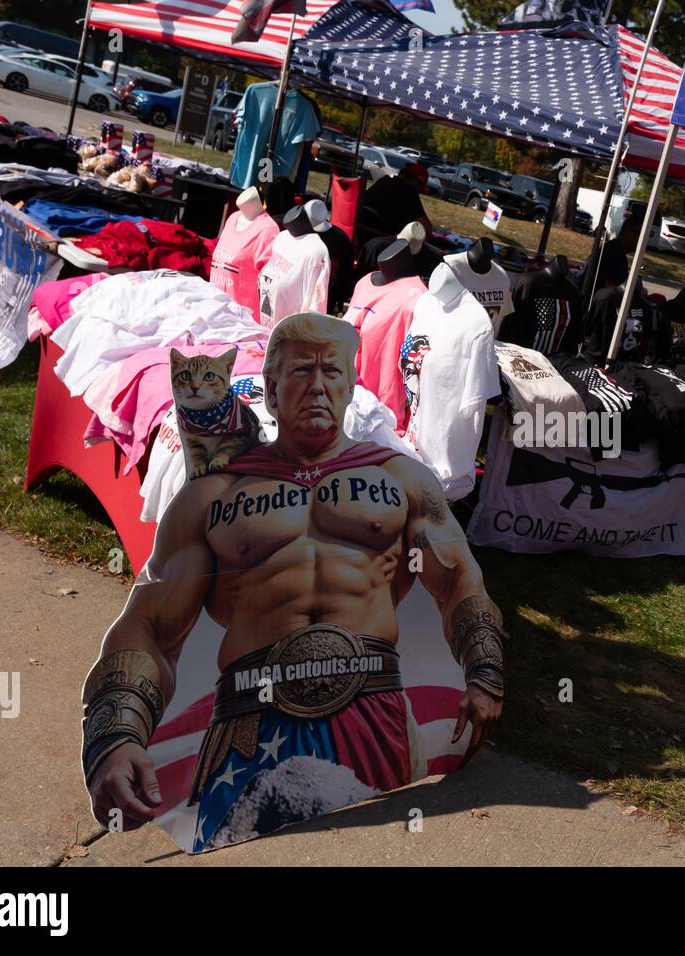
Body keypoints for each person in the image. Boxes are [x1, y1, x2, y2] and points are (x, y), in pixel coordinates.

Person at [81, 312, 505, 851]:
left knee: (373, 851)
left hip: (373, 713)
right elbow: (149, 624)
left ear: (352, 386)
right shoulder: (215, 496)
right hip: (248, 724)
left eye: (334, 371)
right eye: (302, 370)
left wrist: (484, 670)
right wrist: (116, 735)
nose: (319, 385)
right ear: (270, 389)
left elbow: (458, 578)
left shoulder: (401, 479)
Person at [356, 161, 433, 244]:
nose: (418, 190)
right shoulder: (409, 192)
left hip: (358, 229)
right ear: (416, 182)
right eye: (419, 187)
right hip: (378, 239)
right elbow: (426, 228)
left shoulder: (383, 181)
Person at [582, 211, 643, 297]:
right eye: (640, 237)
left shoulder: (616, 251)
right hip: (596, 306)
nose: (642, 243)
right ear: (629, 233)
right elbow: (609, 293)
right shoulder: (613, 254)